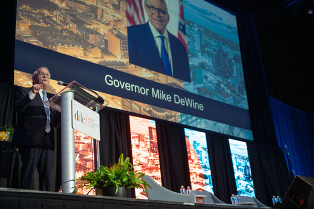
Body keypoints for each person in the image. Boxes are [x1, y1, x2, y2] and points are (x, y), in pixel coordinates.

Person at [12, 66, 60, 191]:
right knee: (27, 175)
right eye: (42, 74)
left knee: (46, 179)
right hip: (30, 140)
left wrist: (63, 112)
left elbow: (55, 123)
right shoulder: (24, 92)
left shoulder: (51, 100)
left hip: (47, 141)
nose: (45, 76)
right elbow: (19, 108)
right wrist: (32, 93)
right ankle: (24, 201)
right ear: (34, 78)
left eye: (48, 75)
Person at [127, 0, 191, 82]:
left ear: (168, 18)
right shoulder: (131, 35)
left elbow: (184, 81)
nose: (157, 15)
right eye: (152, 8)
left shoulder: (180, 47)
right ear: (146, 9)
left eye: (162, 12)